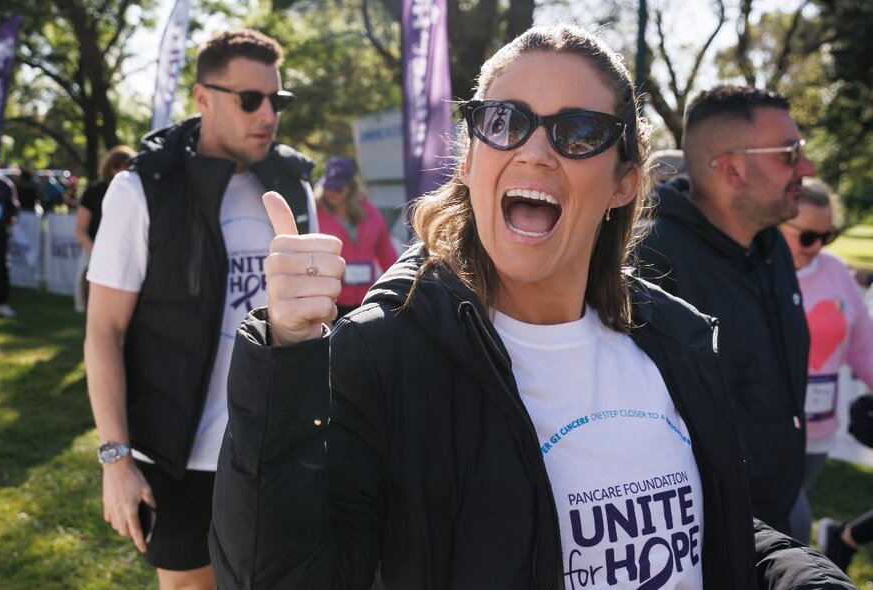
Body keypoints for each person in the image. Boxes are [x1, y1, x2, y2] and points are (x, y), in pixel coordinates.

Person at [209, 25, 853, 589]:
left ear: (625, 182)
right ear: (468, 158)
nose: (535, 150)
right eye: (504, 120)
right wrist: (286, 356)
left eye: (578, 131)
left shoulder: (675, 339)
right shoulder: (382, 356)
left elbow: (704, 529)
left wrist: (805, 577)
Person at [83, 28, 317, 590]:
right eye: (249, 99)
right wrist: (116, 459)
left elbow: (310, 323)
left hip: (277, 446)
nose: (268, 114)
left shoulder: (292, 187)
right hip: (178, 455)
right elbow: (103, 332)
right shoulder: (143, 190)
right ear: (203, 97)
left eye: (276, 100)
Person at [637, 85, 816, 537]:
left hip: (781, 509)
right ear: (732, 168)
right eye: (789, 153)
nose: (807, 169)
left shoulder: (770, 242)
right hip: (707, 536)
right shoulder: (651, 259)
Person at [777, 178, 873, 544]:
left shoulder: (834, 271)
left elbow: (863, 345)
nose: (817, 246)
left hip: (820, 430)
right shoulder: (755, 272)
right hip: (767, 432)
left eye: (827, 236)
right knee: (794, 526)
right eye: (807, 236)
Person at [314, 156, 398, 319]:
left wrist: (398, 288)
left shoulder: (370, 213)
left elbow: (386, 253)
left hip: (365, 302)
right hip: (329, 304)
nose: (331, 192)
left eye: (338, 188)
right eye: (328, 186)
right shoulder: (315, 214)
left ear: (351, 187)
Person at [73, 145, 136, 313]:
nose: (123, 171)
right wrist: (97, 252)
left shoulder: (135, 192)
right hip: (94, 253)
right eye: (118, 166)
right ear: (110, 167)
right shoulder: (94, 191)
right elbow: (80, 229)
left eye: (127, 166)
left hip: (125, 254)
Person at [0, 150, 20, 318]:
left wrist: (10, 220)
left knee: (1, 268)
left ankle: (2, 304)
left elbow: (14, 209)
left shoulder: (5, 185)